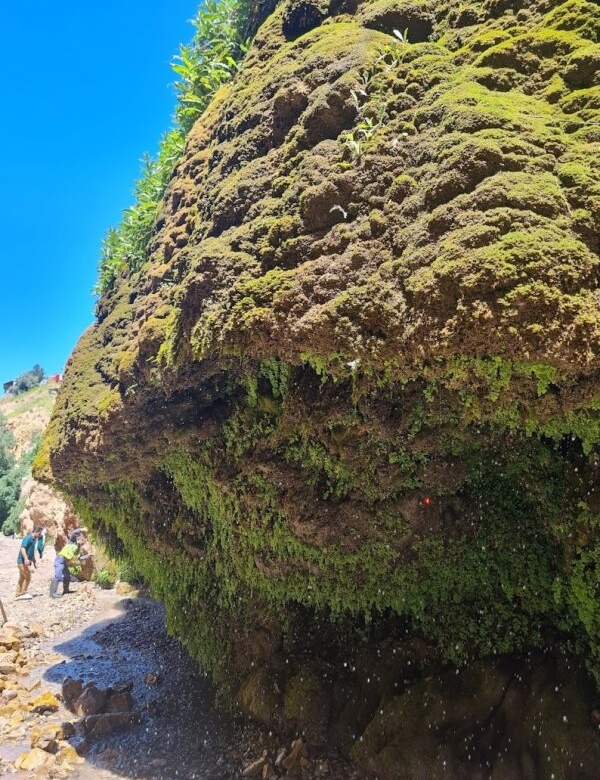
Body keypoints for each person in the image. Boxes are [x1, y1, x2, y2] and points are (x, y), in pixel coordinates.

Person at [50, 531, 87, 598]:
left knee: (67, 576)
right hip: (60, 560)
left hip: (64, 562)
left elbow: (78, 558)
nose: (83, 542)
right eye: (82, 540)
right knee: (58, 576)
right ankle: (52, 594)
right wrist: (79, 531)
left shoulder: (76, 548)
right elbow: (73, 535)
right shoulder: (71, 545)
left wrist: (88, 556)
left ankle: (66, 590)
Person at [15, 526, 43, 598]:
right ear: (36, 532)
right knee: (28, 577)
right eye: (39, 534)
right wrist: (26, 559)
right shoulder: (29, 538)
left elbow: (31, 553)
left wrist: (34, 562)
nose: (40, 535)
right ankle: (23, 593)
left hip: (23, 562)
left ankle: (18, 594)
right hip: (22, 562)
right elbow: (23, 548)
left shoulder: (33, 540)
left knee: (22, 578)